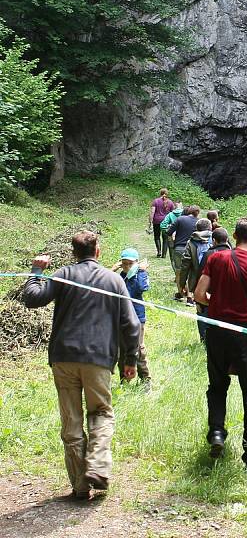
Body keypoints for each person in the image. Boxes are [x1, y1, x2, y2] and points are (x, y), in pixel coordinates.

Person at [23, 230, 139, 499]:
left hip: (63, 357)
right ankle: (97, 467)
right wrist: (129, 360)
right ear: (97, 251)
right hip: (98, 358)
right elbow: (131, 325)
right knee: (100, 412)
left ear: (73, 253)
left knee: (72, 421)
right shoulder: (114, 280)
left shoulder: (63, 274)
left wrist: (36, 270)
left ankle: (80, 484)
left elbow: (32, 298)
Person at [194, 217, 247, 468]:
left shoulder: (216, 259)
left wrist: (217, 306)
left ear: (235, 236)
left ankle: (217, 432)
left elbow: (198, 295)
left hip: (216, 330)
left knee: (217, 384)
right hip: (245, 333)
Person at [111, 248, 151, 390]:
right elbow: (104, 284)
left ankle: (145, 379)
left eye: (130, 263)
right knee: (122, 350)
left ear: (136, 263)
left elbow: (142, 287)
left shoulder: (139, 276)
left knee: (138, 349)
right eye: (124, 263)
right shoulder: (119, 277)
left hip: (137, 318)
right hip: (121, 319)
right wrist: (113, 270)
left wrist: (141, 271)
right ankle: (124, 379)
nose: (127, 266)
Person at [195, 227, 232, 343]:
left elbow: (200, 276)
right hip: (230, 296)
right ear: (227, 239)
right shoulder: (234, 254)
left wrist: (198, 300)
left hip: (211, 294)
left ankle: (205, 339)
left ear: (214, 240)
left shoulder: (208, 255)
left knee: (204, 316)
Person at [167, 204, 200, 299]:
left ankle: (180, 293)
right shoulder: (198, 222)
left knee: (179, 272)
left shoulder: (180, 219)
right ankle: (190, 295)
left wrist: (173, 241)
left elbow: (169, 232)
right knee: (191, 272)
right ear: (197, 213)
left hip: (179, 248)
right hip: (193, 250)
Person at [181, 217, 213, 307]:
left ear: (197, 228)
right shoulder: (216, 238)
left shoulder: (191, 241)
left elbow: (185, 264)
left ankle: (191, 299)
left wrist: (182, 283)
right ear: (210, 228)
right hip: (214, 274)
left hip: (196, 274)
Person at [148, 188, 175, 258]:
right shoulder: (170, 202)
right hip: (166, 222)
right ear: (167, 194)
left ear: (160, 193)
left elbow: (152, 212)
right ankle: (164, 254)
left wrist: (150, 221)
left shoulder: (155, 201)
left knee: (157, 236)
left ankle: (159, 251)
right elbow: (173, 213)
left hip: (156, 221)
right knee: (165, 238)